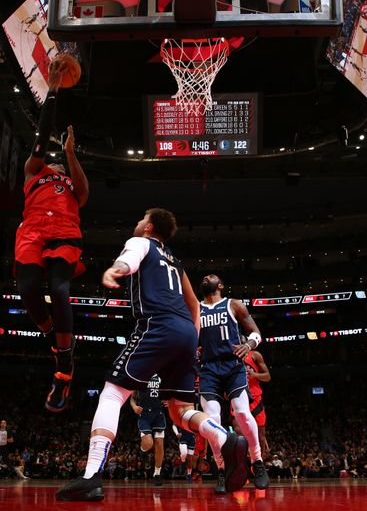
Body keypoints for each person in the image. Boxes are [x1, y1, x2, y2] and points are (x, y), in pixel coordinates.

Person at [56, 209, 248, 501]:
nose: (136, 223)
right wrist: (191, 339)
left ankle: (91, 476)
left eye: (140, 219)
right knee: (180, 410)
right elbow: (194, 304)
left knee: (112, 393)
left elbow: (129, 260)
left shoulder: (141, 242)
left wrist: (115, 270)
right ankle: (224, 437)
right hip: (185, 333)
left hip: (158, 325)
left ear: (148, 226)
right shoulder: (175, 260)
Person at [15, 57, 89, 412]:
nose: (57, 163)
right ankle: (53, 338)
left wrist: (72, 153)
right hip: (32, 230)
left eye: (61, 162)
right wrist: (54, 88)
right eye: (57, 159)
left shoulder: (69, 182)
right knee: (27, 288)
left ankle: (64, 367)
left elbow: (85, 192)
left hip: (64, 231)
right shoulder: (35, 169)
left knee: (59, 290)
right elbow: (42, 135)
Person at [198, 274, 269, 492]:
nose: (206, 277)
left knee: (241, 413)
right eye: (204, 276)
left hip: (232, 366)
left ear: (220, 285)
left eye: (212, 276)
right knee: (212, 420)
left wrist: (248, 344)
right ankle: (222, 470)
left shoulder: (233, 304)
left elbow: (256, 332)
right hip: (208, 368)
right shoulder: (195, 309)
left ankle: (257, 462)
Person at [129, 375, 166, 485]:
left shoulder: (163, 375)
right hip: (144, 414)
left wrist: (169, 401)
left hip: (158, 413)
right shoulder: (141, 374)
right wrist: (134, 406)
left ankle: (157, 474)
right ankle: (142, 451)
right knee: (149, 443)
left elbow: (171, 394)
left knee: (159, 443)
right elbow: (132, 397)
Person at [235, 348, 271, 459]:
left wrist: (254, 374)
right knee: (239, 433)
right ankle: (243, 463)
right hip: (238, 397)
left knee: (261, 436)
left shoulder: (255, 355)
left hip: (255, 399)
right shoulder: (230, 356)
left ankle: (259, 462)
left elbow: (267, 377)